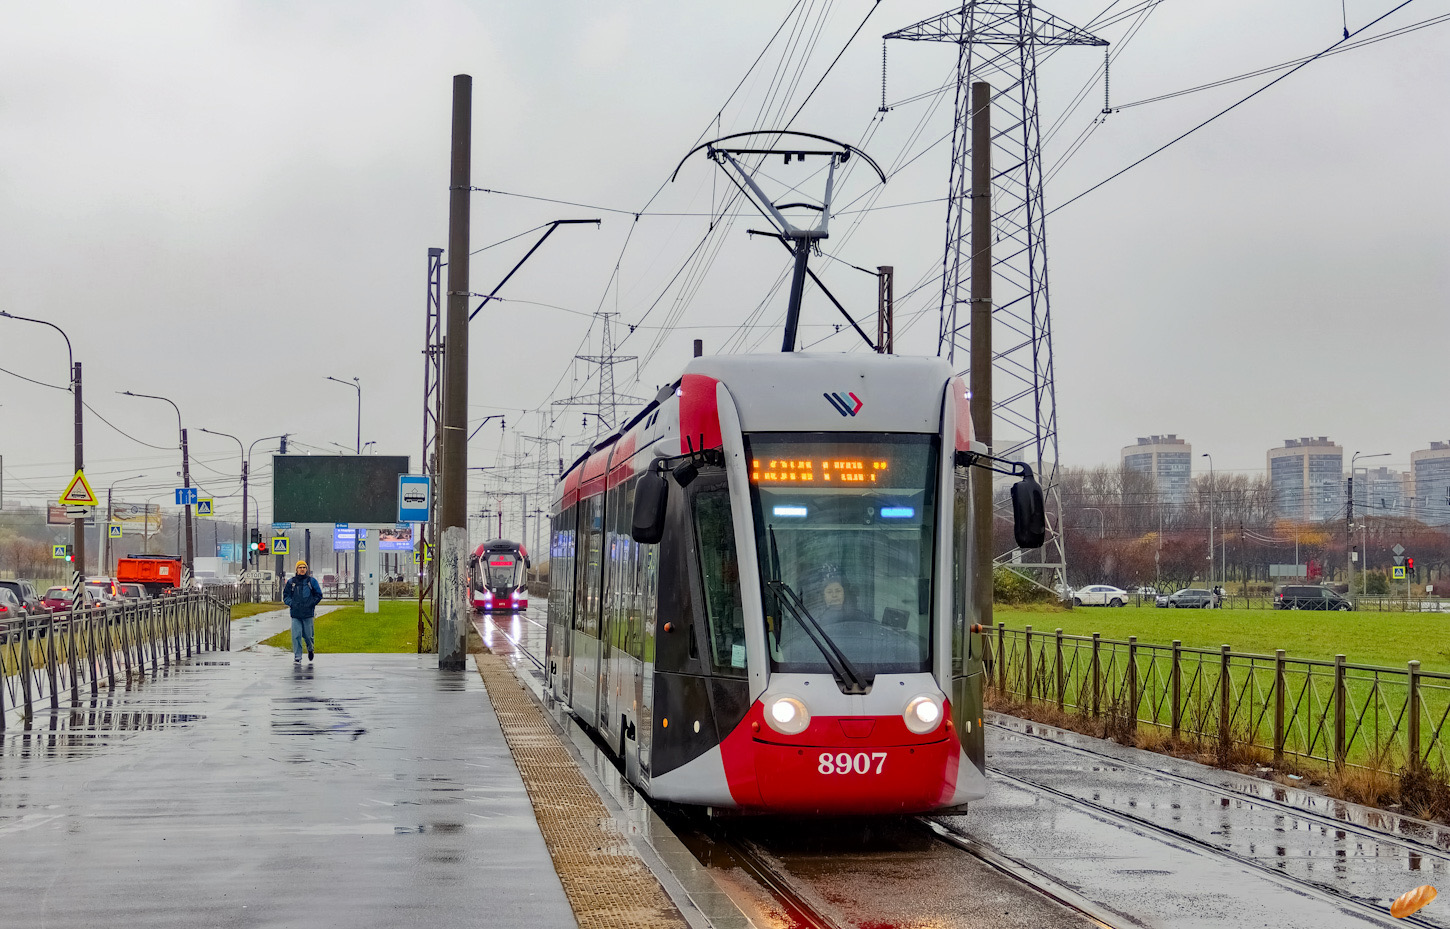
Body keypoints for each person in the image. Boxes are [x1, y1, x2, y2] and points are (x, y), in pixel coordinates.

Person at [283, 560, 323, 664]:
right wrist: (292, 603)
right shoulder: (291, 582)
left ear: (306, 569)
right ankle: (297, 657)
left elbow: (318, 595)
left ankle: (310, 648)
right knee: (296, 635)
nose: (302, 569)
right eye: (300, 567)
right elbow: (286, 596)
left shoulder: (311, 581)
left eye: (304, 567)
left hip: (308, 613)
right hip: (296, 614)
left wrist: (311, 603)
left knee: (308, 636)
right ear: (296, 569)